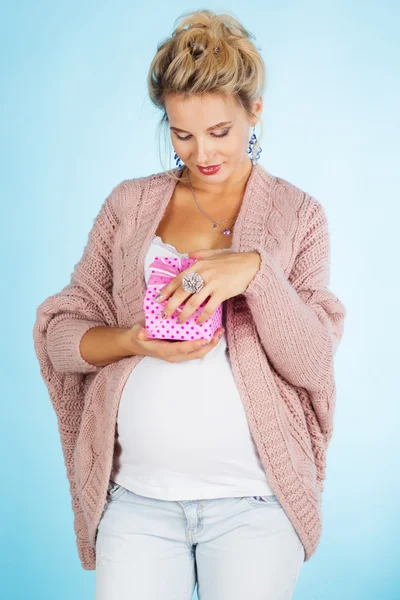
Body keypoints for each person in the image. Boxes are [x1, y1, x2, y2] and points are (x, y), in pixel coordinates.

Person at [32, 8, 346, 600]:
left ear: (255, 111)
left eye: (219, 131)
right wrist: (132, 341)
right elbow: (60, 332)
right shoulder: (129, 206)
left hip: (255, 503)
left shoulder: (298, 215)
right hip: (136, 503)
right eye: (181, 133)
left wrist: (254, 272)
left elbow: (313, 362)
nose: (201, 152)